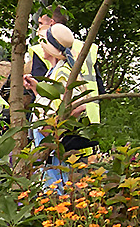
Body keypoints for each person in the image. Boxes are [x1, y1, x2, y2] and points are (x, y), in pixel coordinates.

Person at [26, 8, 102, 156]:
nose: (41, 44)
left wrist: (55, 130)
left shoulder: (61, 70)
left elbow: (75, 104)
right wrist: (37, 89)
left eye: (41, 23)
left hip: (61, 139)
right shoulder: (84, 48)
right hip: (84, 127)